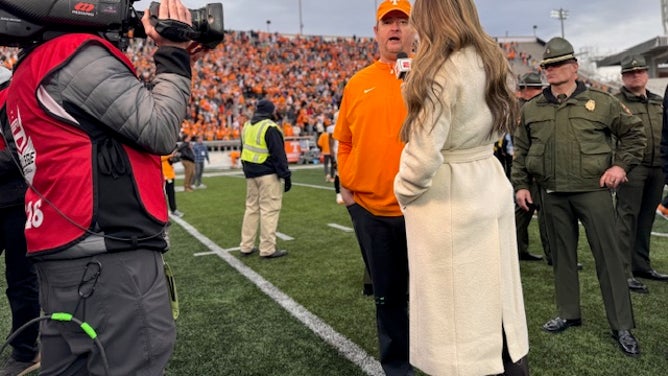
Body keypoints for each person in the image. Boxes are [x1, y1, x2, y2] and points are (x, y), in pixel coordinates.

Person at [3, 0, 201, 373]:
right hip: (105, 255)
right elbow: (159, 129)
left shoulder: (28, 70)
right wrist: (172, 53)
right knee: (134, 359)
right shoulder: (74, 54)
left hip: (61, 252)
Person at [394, 0, 529, 374]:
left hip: (451, 194)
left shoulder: (438, 71)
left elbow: (421, 158)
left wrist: (404, 192)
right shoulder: (492, 60)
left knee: (456, 320)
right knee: (497, 303)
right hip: (488, 178)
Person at [512, 37, 645, 357]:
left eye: (558, 64)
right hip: (552, 193)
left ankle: (622, 324)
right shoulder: (532, 108)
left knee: (608, 257)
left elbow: (634, 134)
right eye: (547, 66)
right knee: (562, 257)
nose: (551, 70)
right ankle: (568, 312)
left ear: (574, 67)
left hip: (593, 191)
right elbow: (522, 151)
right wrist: (521, 185)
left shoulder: (602, 102)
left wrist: (619, 166)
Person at [333, 1, 415, 374]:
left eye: (403, 21)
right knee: (388, 296)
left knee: (433, 295)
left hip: (422, 207)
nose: (395, 28)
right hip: (370, 210)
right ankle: (397, 367)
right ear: (376, 31)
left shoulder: (428, 76)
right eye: (388, 22)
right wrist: (347, 188)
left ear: (414, 30)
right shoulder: (358, 82)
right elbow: (344, 140)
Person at [614, 55, 668, 294]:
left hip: (658, 168)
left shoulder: (658, 102)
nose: (636, 75)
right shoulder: (614, 103)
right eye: (630, 72)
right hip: (632, 169)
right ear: (623, 77)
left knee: (646, 218)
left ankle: (641, 265)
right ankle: (622, 272)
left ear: (646, 74)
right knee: (626, 219)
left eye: (640, 72)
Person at [0, 67, 41, 376]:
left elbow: (20, 152)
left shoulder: (11, 95)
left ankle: (27, 351)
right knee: (21, 281)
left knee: (21, 281)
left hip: (17, 203)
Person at [239, 99, 291, 259]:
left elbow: (242, 149)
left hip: (251, 174)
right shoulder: (270, 127)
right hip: (268, 174)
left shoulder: (247, 125)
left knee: (251, 209)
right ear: (270, 111)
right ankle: (267, 248)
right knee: (269, 210)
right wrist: (286, 175)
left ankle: (246, 246)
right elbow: (278, 155)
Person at [514, 72, 549, 263]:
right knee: (534, 208)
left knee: (528, 209)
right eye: (534, 88)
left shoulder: (534, 106)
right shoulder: (520, 108)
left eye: (539, 88)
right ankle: (550, 253)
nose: (538, 92)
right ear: (524, 89)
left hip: (532, 163)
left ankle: (520, 249)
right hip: (524, 164)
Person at [162, 151, 184, 217]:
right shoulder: (160, 152)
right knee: (162, 195)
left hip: (170, 175)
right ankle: (164, 210)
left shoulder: (167, 152)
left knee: (171, 194)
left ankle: (173, 209)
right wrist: (170, 155)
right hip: (164, 176)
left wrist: (175, 156)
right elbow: (160, 158)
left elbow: (172, 161)